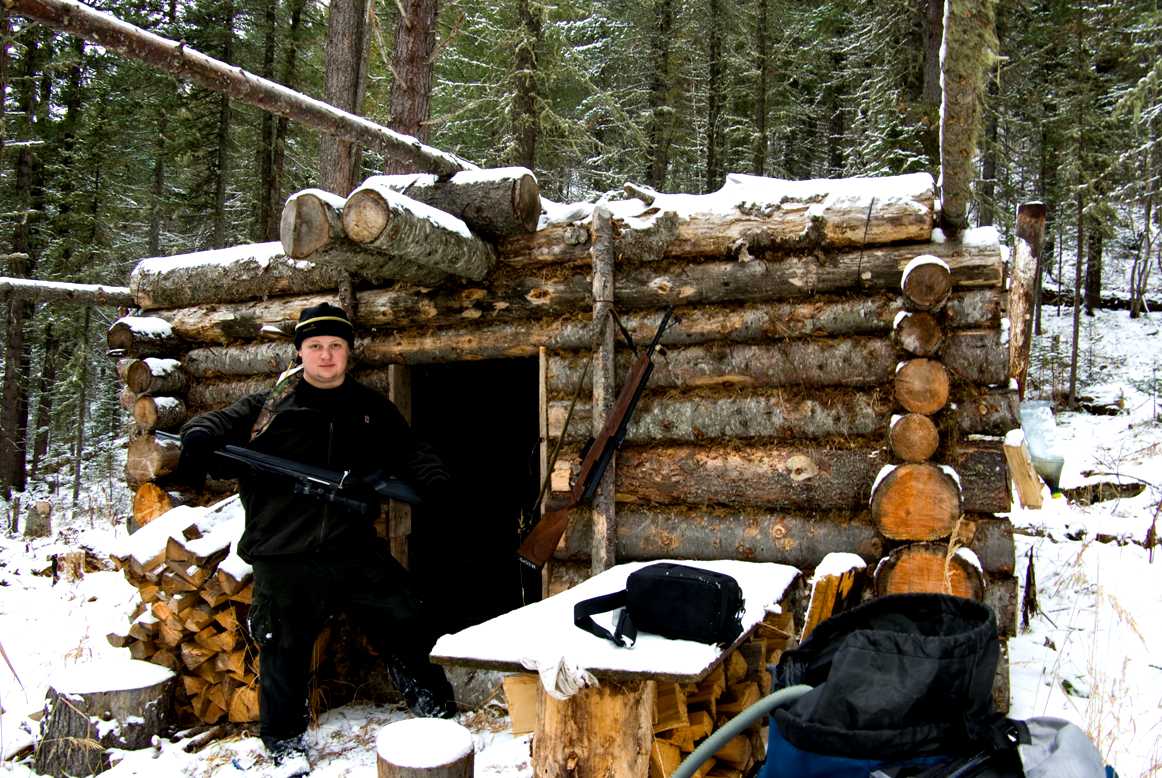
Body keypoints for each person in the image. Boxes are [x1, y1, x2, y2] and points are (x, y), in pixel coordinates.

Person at [177, 302, 456, 772]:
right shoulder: (267, 407)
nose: (326, 356)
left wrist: (434, 481)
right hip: (283, 550)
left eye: (335, 346)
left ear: (348, 353)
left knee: (405, 615)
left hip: (352, 545)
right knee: (283, 646)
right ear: (300, 353)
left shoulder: (370, 408)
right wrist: (199, 436)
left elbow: (411, 451)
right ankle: (284, 742)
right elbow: (211, 426)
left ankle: (435, 708)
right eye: (315, 346)